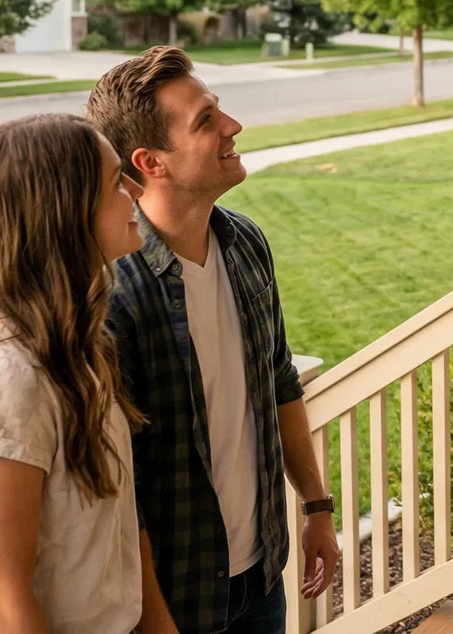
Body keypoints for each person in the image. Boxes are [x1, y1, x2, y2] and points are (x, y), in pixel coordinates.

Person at [88, 46, 342, 634]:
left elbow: (279, 378)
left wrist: (317, 506)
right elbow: (124, 486)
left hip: (261, 578)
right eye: (205, 121)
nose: (233, 126)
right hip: (174, 596)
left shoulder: (245, 243)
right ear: (150, 162)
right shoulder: (114, 294)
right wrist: (154, 619)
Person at [0, 112, 178, 634]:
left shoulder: (71, 348)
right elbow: (2, 601)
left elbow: (116, 532)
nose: (137, 191)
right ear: (65, 212)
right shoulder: (5, 380)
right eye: (116, 182)